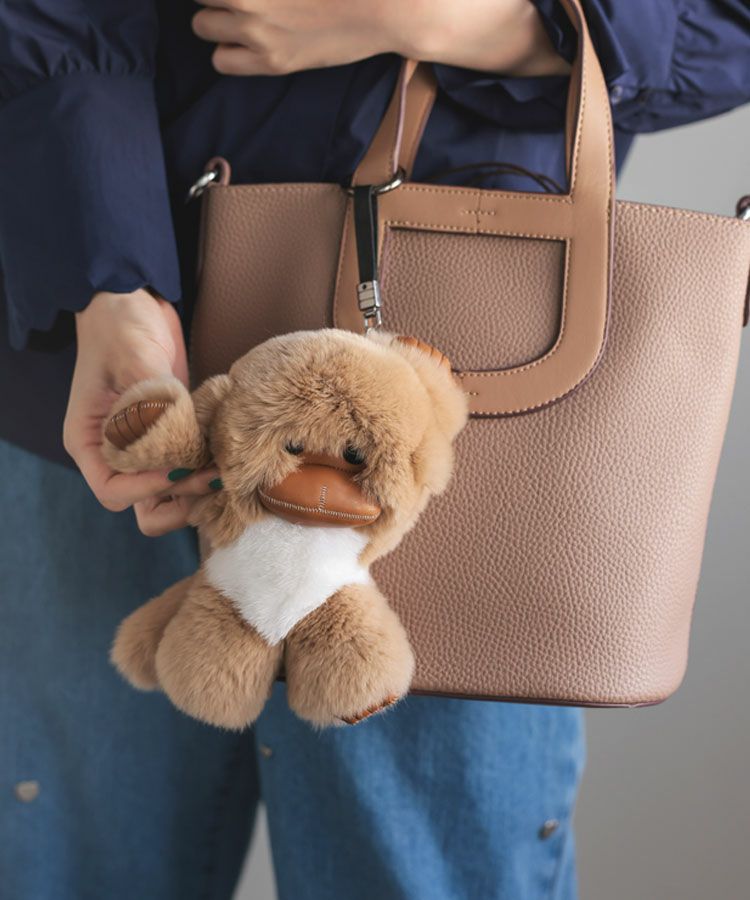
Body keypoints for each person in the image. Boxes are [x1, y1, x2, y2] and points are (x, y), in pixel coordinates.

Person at [1, 2, 749, 898]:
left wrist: (452, 20)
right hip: (118, 380)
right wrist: (109, 282)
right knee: (75, 864)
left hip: (478, 434)